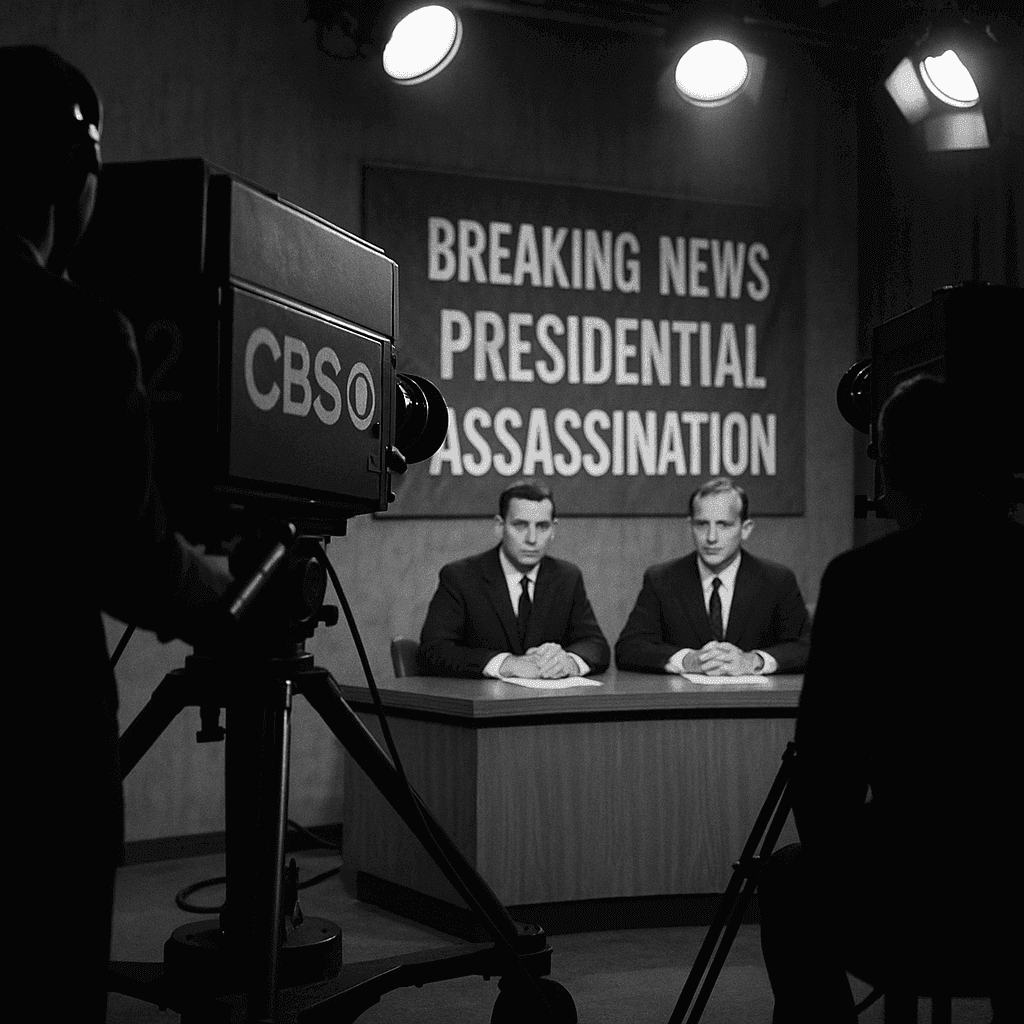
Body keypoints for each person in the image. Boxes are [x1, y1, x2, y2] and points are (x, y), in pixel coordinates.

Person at [1, 46, 232, 1020]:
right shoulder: (79, 334)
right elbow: (135, 566)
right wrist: (230, 588)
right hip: (35, 749)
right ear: (73, 185)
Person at [759, 376, 1021, 1022]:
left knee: (789, 878)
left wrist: (847, 862)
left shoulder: (860, 582)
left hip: (904, 888)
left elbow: (823, 777)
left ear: (893, 469)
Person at [614, 477, 810, 675]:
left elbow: (805, 647)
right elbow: (629, 648)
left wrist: (753, 661)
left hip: (752, 703)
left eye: (724, 525)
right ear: (690, 525)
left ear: (745, 529)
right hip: (686, 703)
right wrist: (688, 660)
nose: (711, 537)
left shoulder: (776, 580)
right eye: (701, 524)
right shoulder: (662, 580)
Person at [418, 479, 610, 679]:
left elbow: (596, 646)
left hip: (546, 704)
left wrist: (568, 661)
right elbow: (433, 651)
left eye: (542, 526)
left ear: (554, 529)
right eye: (520, 525)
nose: (532, 539)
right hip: (483, 704)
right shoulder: (461, 577)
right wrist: (505, 663)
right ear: (500, 526)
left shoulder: (567, 577)